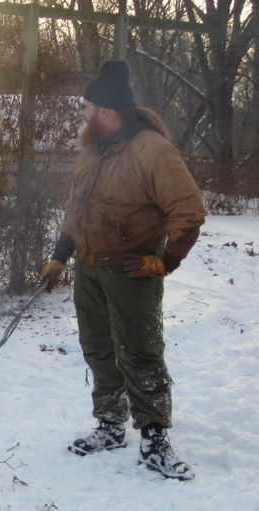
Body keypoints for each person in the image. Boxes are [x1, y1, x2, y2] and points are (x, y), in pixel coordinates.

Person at [40, 60, 206, 481]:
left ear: (107, 111)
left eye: (86, 106)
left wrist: (165, 261)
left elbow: (189, 212)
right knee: (98, 349)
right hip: (90, 270)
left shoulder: (152, 150)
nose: (82, 113)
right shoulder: (95, 149)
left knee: (141, 353)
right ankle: (110, 425)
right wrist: (61, 253)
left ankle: (155, 438)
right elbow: (76, 208)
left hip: (132, 274)